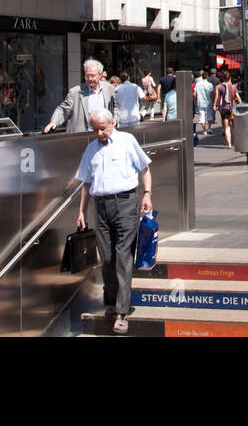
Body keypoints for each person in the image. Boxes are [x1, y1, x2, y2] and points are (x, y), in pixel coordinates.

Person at [74, 107, 152, 335]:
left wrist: (147, 194)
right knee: (106, 257)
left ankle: (122, 311)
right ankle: (111, 300)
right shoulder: (91, 149)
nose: (98, 133)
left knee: (123, 256)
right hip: (101, 206)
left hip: (126, 203)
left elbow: (145, 169)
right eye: (94, 129)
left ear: (113, 123)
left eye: (102, 128)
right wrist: (82, 211)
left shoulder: (127, 141)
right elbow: (86, 183)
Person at [45, 59, 117, 133]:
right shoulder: (75, 92)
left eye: (93, 76)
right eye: (87, 76)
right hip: (83, 135)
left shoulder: (109, 88)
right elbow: (63, 109)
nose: (90, 79)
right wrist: (54, 122)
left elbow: (115, 106)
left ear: (100, 75)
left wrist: (115, 118)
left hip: (104, 134)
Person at [214, 68, 238, 149]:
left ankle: (229, 144)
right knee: (234, 126)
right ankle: (236, 141)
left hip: (224, 108)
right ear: (230, 78)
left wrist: (215, 105)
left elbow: (217, 97)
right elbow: (238, 97)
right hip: (233, 108)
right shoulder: (234, 87)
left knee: (226, 127)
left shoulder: (218, 87)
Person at [193, 69, 214, 135]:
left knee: (201, 117)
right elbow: (211, 94)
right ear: (207, 77)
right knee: (210, 116)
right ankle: (209, 128)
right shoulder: (210, 84)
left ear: (202, 76)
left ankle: (204, 130)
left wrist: (195, 101)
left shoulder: (198, 84)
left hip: (200, 102)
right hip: (208, 102)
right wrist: (213, 101)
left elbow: (194, 94)